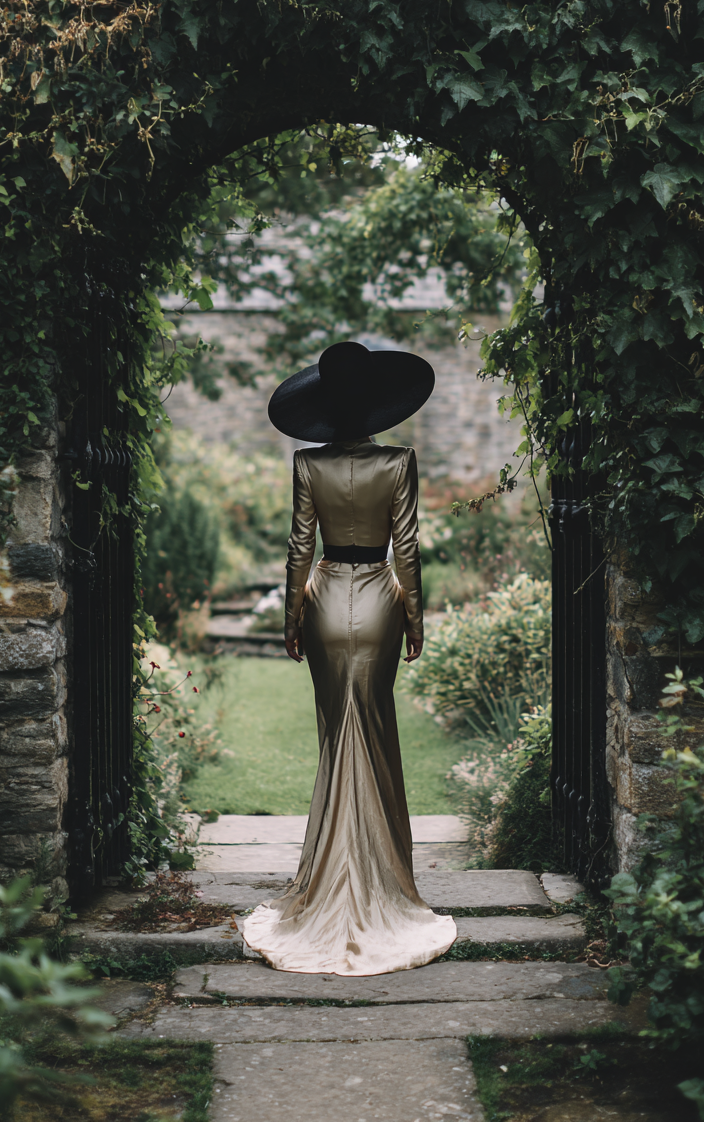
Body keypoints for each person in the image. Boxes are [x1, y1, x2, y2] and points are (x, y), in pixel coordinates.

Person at [240, 341, 457, 975]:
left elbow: (297, 551)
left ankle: (331, 878)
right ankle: (382, 881)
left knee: (339, 735)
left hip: (328, 601)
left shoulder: (309, 465)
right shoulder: (399, 461)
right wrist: (415, 618)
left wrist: (292, 618)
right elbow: (408, 550)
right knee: (377, 731)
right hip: (382, 603)